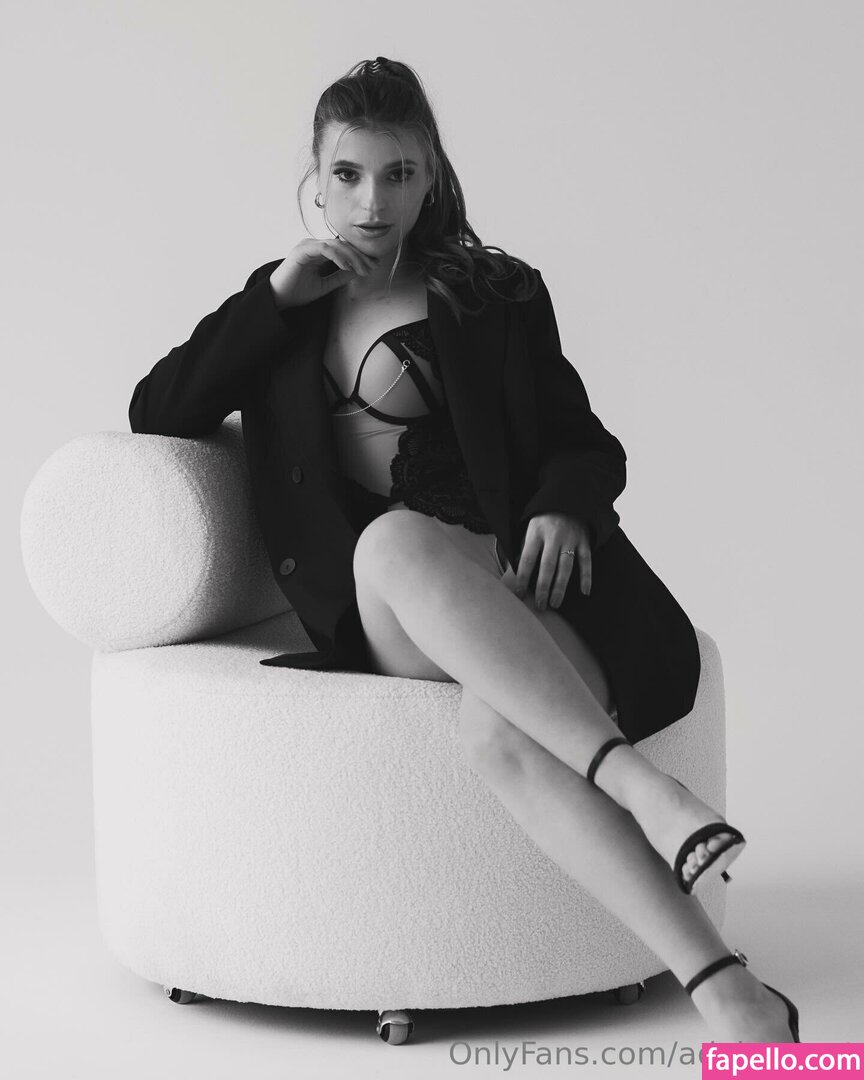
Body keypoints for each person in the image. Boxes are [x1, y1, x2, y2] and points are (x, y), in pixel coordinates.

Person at [128, 57, 800, 1042]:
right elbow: (157, 408)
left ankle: (732, 997)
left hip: (518, 589)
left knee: (499, 734)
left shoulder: (494, 292)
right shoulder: (281, 315)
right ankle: (646, 789)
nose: (373, 201)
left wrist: (564, 506)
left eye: (398, 174)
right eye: (349, 174)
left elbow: (582, 442)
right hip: (388, 606)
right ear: (315, 177)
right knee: (392, 542)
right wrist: (273, 295)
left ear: (432, 175)